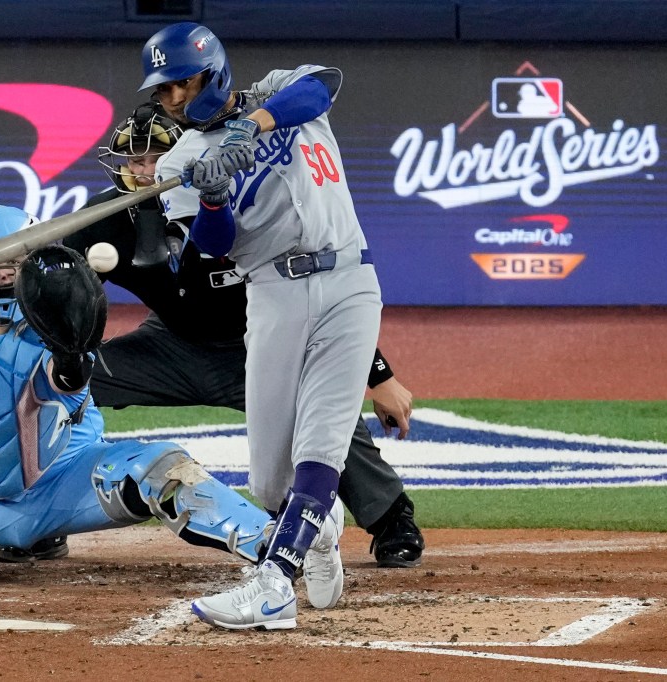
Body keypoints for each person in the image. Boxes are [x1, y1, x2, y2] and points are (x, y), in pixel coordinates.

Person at [62, 100, 424, 575]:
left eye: (153, 158)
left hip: (255, 345)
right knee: (54, 387)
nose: (142, 171)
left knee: (324, 417)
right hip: (167, 347)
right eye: (133, 159)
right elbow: (52, 285)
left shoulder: (242, 205)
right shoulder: (105, 218)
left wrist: (379, 375)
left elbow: (326, 295)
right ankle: (36, 521)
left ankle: (391, 518)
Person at [0, 205, 273, 583]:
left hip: (65, 479)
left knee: (160, 469)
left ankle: (276, 543)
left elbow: (70, 388)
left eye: (11, 260)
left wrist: (70, 352)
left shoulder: (60, 323)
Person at [137, 21, 388, 630]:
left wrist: (252, 127)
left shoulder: (279, 91)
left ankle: (274, 586)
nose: (169, 99)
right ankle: (319, 525)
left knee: (321, 440)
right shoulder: (184, 160)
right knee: (272, 482)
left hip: (350, 281)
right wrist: (216, 198)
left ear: (211, 71)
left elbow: (321, 88)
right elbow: (214, 248)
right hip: (272, 290)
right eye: (163, 91)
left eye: (178, 84)